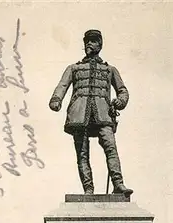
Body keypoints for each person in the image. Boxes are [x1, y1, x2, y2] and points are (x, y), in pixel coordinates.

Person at [49, 29, 133, 195]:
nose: (89, 43)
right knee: (82, 153)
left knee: (111, 148)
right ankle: (88, 189)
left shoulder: (110, 70)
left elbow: (122, 90)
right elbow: (62, 85)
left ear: (100, 44)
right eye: (87, 41)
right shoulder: (74, 68)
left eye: (93, 41)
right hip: (79, 114)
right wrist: (56, 99)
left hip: (103, 114)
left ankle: (118, 184)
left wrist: (120, 101)